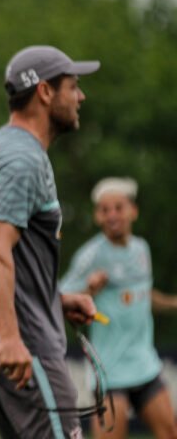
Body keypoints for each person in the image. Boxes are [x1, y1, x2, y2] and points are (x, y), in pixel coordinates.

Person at [0, 45, 101, 438]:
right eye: (73, 86)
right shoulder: (21, 158)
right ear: (46, 92)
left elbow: (4, 252)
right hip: (23, 347)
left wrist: (54, 298)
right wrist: (10, 338)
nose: (80, 96)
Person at [60, 177, 177, 439]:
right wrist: (89, 290)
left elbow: (142, 295)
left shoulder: (141, 249)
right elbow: (58, 298)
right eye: (105, 209)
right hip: (109, 371)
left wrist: (172, 302)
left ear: (133, 211)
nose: (112, 215)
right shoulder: (91, 256)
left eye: (118, 207)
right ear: (97, 216)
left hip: (144, 364)